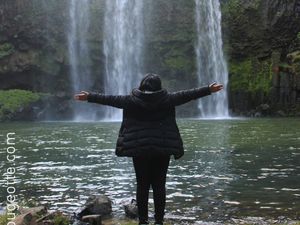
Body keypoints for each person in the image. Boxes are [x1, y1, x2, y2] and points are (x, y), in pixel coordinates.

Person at [75, 73, 223, 225]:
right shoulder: (168, 99)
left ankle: (143, 222)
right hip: (162, 149)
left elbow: (110, 99)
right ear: (159, 87)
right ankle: (159, 221)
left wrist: (89, 97)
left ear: (141, 86)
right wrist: (208, 89)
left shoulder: (130, 100)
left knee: (142, 185)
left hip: (139, 149)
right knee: (159, 185)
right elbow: (188, 95)